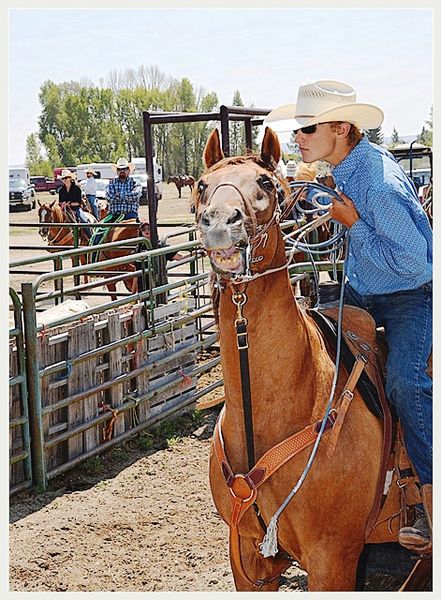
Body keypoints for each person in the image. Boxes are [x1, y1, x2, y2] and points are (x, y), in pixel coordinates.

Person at [268, 80, 432, 552]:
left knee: (404, 381)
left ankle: (429, 499)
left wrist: (354, 226)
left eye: (308, 128)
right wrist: (313, 202)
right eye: (299, 128)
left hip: (409, 296)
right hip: (365, 289)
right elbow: (342, 209)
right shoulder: (344, 167)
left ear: (341, 128)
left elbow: (416, 262)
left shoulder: (378, 182)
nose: (299, 137)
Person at [58, 169, 92, 239]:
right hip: (64, 210)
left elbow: (78, 203)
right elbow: (60, 202)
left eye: (66, 178)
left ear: (70, 178)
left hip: (76, 209)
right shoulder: (61, 190)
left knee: (84, 221)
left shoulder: (77, 189)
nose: (64, 180)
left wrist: (69, 204)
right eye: (63, 178)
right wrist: (62, 204)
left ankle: (90, 238)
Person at [105, 157, 142, 222]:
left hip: (130, 215)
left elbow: (136, 195)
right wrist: (127, 196)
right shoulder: (111, 183)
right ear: (117, 171)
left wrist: (118, 196)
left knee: (142, 230)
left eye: (125, 169)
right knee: (100, 230)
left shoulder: (135, 182)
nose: (122, 171)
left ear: (129, 170)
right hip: (114, 215)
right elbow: (109, 196)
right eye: (119, 169)